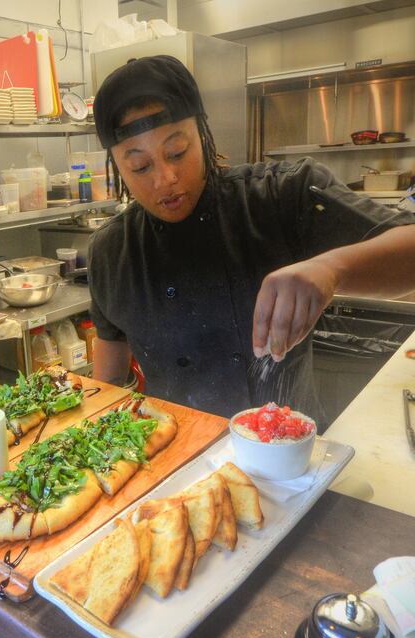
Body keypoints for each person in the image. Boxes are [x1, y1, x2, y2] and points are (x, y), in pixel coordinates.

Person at [87, 55, 415, 423]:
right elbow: (110, 374)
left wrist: (332, 269)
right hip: (178, 457)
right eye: (140, 167)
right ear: (116, 167)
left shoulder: (281, 195)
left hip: (287, 457)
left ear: (203, 134)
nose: (166, 178)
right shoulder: (111, 251)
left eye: (178, 152)